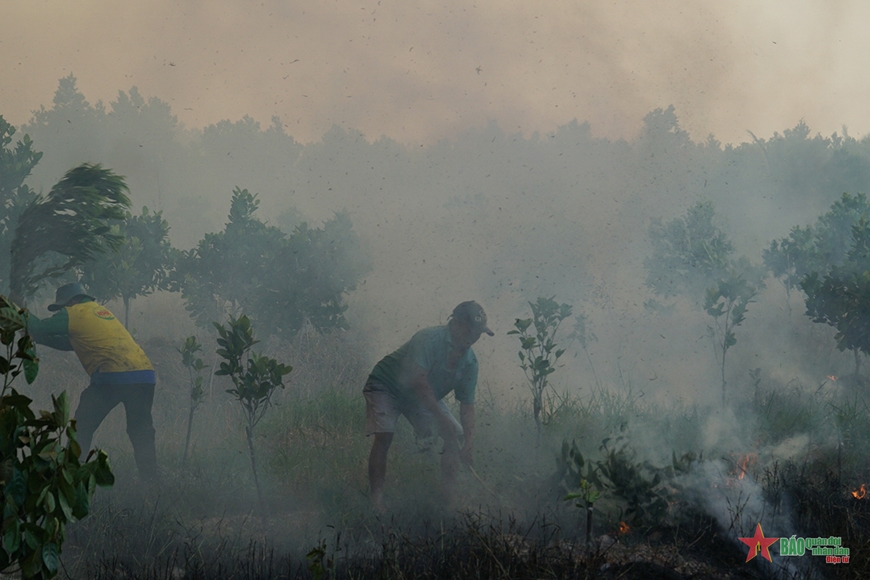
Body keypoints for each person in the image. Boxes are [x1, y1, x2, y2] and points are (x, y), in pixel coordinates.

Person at [364, 300, 494, 511]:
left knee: (454, 435)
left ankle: (448, 501)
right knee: (385, 435)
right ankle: (376, 499)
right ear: (456, 323)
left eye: (478, 332)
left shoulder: (471, 362)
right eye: (471, 329)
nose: (474, 336)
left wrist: (468, 443)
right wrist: (442, 420)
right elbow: (418, 380)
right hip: (386, 384)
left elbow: (467, 404)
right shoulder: (429, 338)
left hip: (420, 396)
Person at [25, 282, 158, 482]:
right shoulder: (100, 312)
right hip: (144, 375)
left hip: (112, 377)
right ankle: (152, 484)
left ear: (71, 301)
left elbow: (37, 326)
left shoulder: (74, 312)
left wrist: (18, 310)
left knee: (82, 428)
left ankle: (70, 479)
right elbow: (68, 342)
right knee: (141, 430)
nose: (61, 312)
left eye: (62, 307)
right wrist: (38, 338)